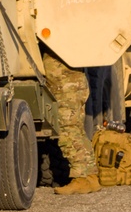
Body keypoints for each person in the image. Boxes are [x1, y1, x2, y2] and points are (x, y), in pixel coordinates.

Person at [42, 49, 101, 195]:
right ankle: (91, 176)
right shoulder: (68, 47)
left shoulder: (55, 48)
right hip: (75, 85)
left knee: (67, 131)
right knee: (78, 130)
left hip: (66, 89)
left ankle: (80, 178)